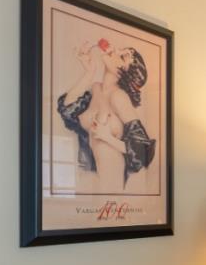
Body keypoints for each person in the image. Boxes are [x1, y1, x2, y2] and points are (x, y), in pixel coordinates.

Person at [57, 41, 156, 192]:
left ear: (124, 70)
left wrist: (107, 137)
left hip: (112, 193)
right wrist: (89, 72)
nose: (115, 49)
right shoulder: (96, 88)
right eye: (121, 49)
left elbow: (142, 151)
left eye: (123, 56)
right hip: (87, 191)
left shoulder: (118, 97)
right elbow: (67, 110)